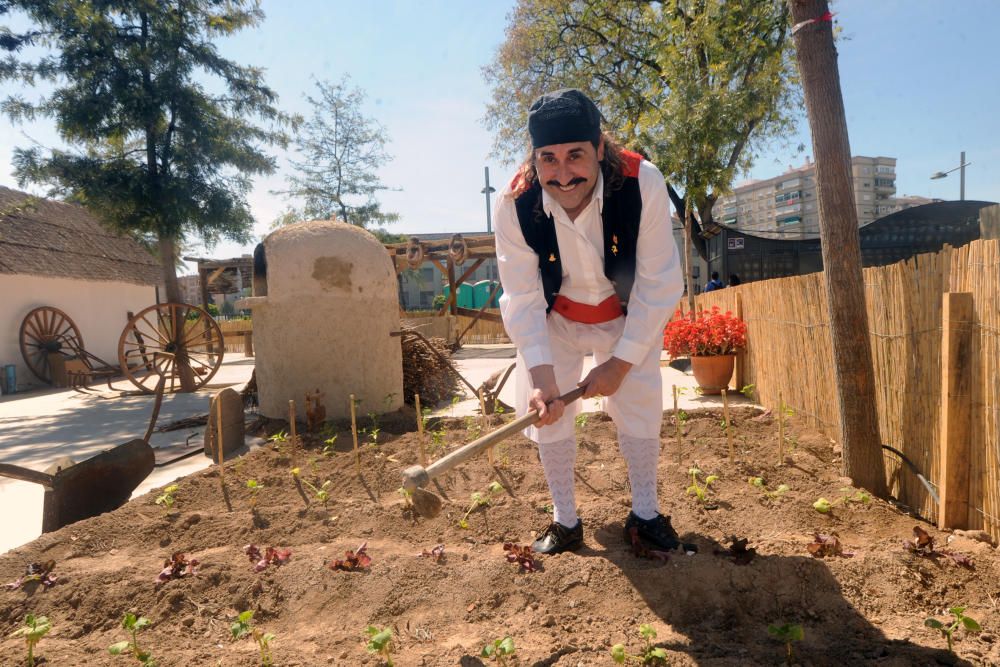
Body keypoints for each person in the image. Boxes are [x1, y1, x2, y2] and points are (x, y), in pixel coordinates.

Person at [494, 88, 692, 555]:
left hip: (625, 314)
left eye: (576, 156)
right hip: (555, 318)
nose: (563, 176)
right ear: (534, 159)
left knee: (640, 401)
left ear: (600, 150)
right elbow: (522, 297)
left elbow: (658, 284)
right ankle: (565, 520)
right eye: (549, 160)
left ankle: (645, 513)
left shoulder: (642, 183)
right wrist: (542, 380)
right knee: (548, 415)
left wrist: (620, 364)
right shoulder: (514, 203)